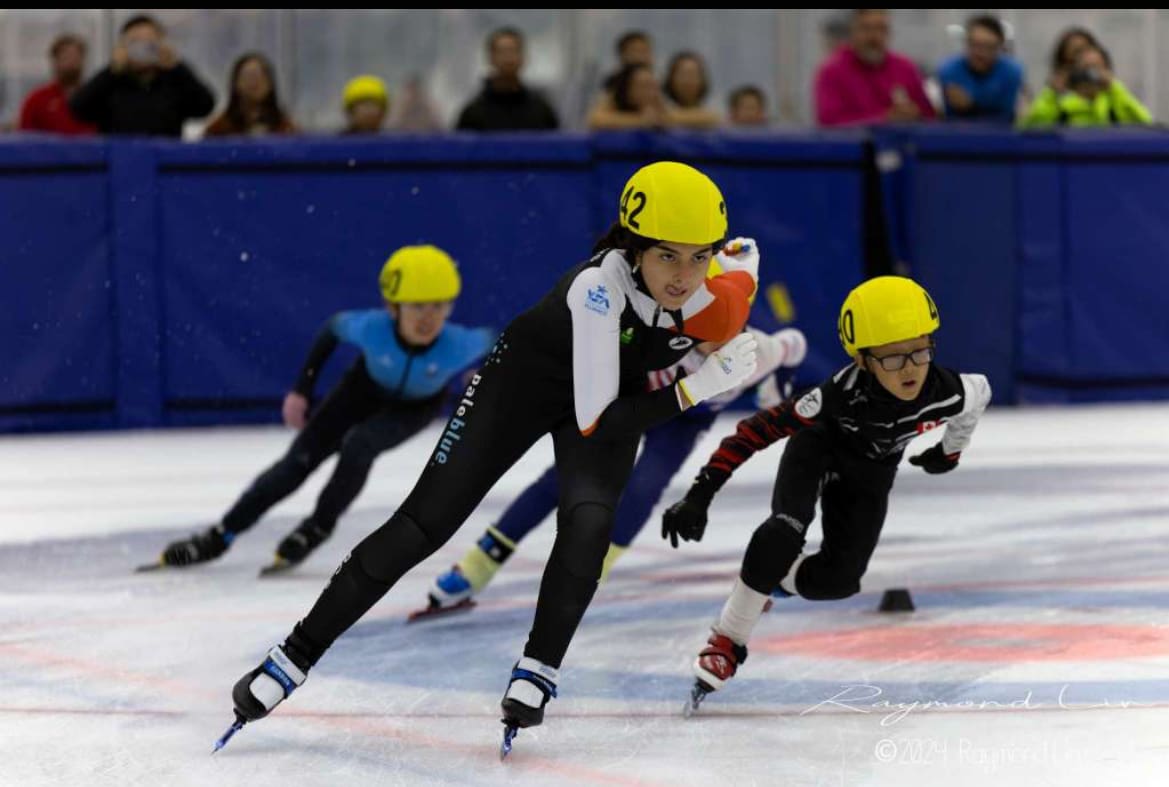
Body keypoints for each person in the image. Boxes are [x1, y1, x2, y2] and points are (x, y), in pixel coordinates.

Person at [224, 161, 761, 755]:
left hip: (613, 397)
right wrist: (694, 387)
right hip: (522, 390)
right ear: (633, 247)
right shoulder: (598, 289)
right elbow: (598, 421)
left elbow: (743, 260)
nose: (684, 276)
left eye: (697, 257)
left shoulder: (725, 282)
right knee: (422, 525)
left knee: (588, 525)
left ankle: (538, 669)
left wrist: (746, 314)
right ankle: (293, 656)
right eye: (667, 256)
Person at [660, 276, 991, 709]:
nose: (909, 368)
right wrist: (701, 493)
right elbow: (752, 433)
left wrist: (948, 453)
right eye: (891, 357)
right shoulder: (833, 396)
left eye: (919, 350)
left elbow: (978, 397)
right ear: (863, 360)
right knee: (783, 532)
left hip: (870, 472)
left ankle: (771, 582)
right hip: (819, 448)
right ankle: (727, 640)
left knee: (838, 582)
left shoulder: (951, 391)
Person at [142, 246, 494, 574]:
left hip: (415, 408)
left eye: (438, 306)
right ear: (392, 307)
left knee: (360, 445)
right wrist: (301, 391)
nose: (428, 318)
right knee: (295, 465)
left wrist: (491, 374)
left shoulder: (460, 344)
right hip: (361, 391)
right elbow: (332, 329)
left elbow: (509, 344)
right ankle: (219, 536)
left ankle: (318, 527)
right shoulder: (372, 328)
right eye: (417, 306)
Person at [421, 324, 807, 617]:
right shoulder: (658, 333)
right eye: (709, 335)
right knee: (565, 476)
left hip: (683, 420)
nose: (718, 352)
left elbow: (795, 344)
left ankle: (590, 571)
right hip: (639, 401)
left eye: (730, 336)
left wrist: (776, 387)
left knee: (645, 485)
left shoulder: (759, 352)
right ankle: (479, 563)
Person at [69, 14, 214, 136]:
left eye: (149, 43)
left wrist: (177, 67)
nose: (143, 50)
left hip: (163, 163)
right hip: (119, 162)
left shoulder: (174, 81)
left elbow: (205, 106)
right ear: (123, 46)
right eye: (135, 43)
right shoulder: (111, 83)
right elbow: (78, 109)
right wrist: (111, 70)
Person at [814, 9, 935, 127]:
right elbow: (829, 123)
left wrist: (916, 115)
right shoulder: (832, 72)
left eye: (881, 29)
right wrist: (884, 120)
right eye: (866, 29)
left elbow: (930, 117)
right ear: (852, 32)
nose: (873, 36)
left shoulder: (905, 68)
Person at [1019, 43, 1151, 128]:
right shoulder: (1061, 108)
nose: (1090, 75)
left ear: (1107, 71)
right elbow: (1028, 129)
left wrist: (1115, 88)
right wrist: (1051, 94)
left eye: (1097, 68)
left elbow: (1145, 123)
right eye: (1085, 68)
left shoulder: (1115, 105)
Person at [455, 27, 558, 132]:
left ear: (523, 57)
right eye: (502, 52)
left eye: (513, 51)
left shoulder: (541, 111)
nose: (508, 58)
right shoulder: (473, 114)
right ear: (491, 58)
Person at [936, 15, 1023, 123]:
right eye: (975, 45)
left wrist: (970, 107)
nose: (981, 53)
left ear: (1000, 47)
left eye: (988, 47)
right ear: (966, 44)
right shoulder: (949, 70)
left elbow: (1005, 115)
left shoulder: (1012, 72)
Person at [18, 33, 96, 135]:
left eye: (76, 57)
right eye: (66, 57)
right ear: (55, 61)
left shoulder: (95, 99)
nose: (71, 63)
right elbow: (23, 139)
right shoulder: (36, 100)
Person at [203, 52, 295, 137]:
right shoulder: (218, 130)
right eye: (248, 76)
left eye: (259, 76)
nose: (254, 82)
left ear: (270, 84)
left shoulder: (286, 129)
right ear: (236, 84)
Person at [661, 51, 721, 130]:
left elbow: (716, 118)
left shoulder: (713, 118)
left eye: (692, 74)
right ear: (671, 79)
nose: (688, 81)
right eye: (683, 75)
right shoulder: (661, 113)